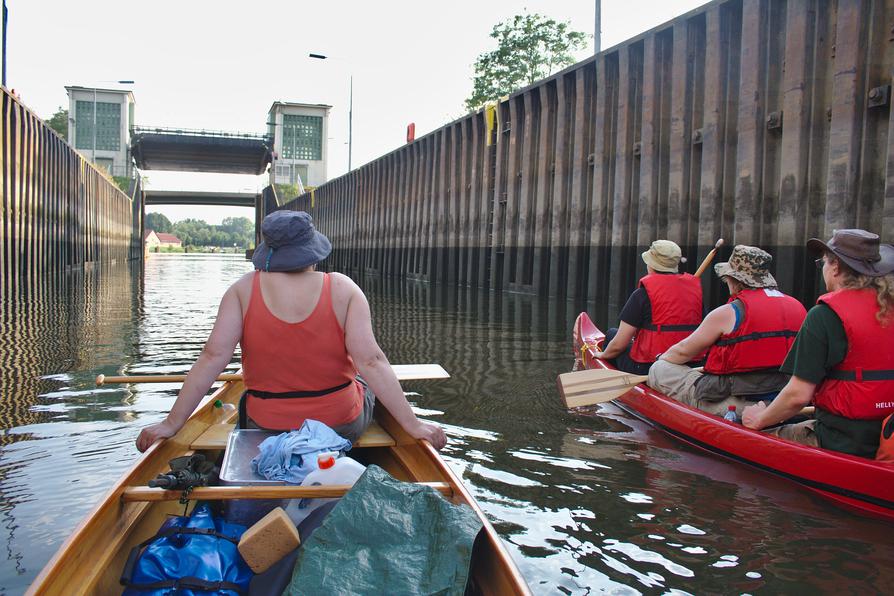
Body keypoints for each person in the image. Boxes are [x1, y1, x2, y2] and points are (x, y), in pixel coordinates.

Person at [136, 210, 447, 452]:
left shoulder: (242, 291)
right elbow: (373, 361)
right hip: (340, 424)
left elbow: (213, 357)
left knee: (251, 394)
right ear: (311, 250)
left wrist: (172, 423)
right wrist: (412, 424)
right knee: (364, 377)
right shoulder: (343, 288)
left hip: (268, 424)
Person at [742, 229, 894, 458]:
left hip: (840, 441)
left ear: (835, 267)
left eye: (822, 262)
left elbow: (797, 396)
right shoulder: (889, 306)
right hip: (886, 436)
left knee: (753, 439)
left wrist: (758, 420)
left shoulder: (824, 315)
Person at [648, 245, 807, 416]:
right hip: (782, 403)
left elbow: (681, 353)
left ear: (735, 280)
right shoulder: (798, 307)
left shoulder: (729, 312)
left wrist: (660, 359)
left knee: (660, 368)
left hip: (736, 404)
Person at [593, 240, 703, 375]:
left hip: (650, 367)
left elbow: (618, 345)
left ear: (651, 265)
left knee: (611, 334)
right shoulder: (695, 293)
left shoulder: (642, 295)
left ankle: (611, 382)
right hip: (690, 363)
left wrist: (603, 355)